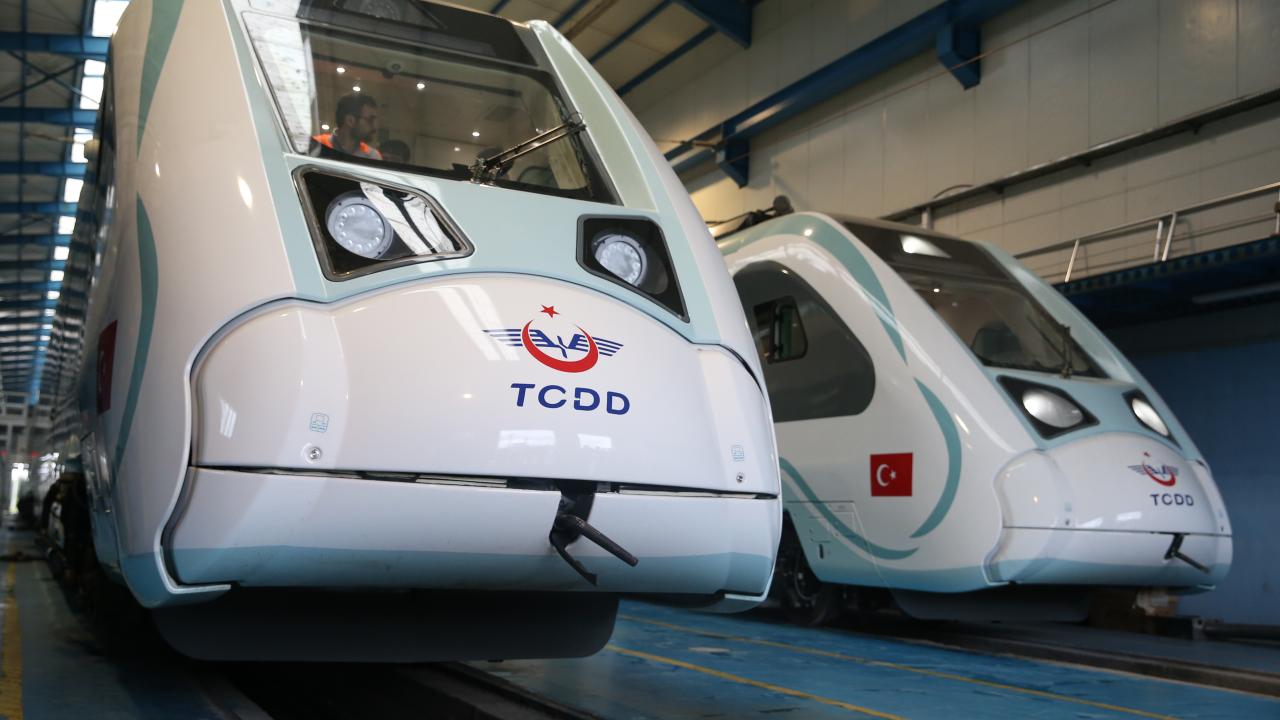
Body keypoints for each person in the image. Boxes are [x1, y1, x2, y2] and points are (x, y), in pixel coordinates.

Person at [312, 92, 382, 160]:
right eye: (370, 120)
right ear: (350, 121)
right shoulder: (315, 145)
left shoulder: (372, 156)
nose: (375, 127)